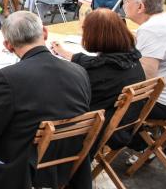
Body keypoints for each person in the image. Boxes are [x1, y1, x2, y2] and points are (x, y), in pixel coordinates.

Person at [0, 11, 91, 189]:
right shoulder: (78, 71)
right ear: (45, 33)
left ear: (8, 46)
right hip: (67, 161)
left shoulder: (7, 78)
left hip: (23, 167)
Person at [50, 9, 145, 148]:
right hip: (123, 124)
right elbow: (98, 63)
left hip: (93, 130)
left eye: (85, 31)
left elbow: (68, 100)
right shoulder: (129, 57)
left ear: (96, 36)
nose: (83, 35)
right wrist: (66, 54)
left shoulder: (101, 73)